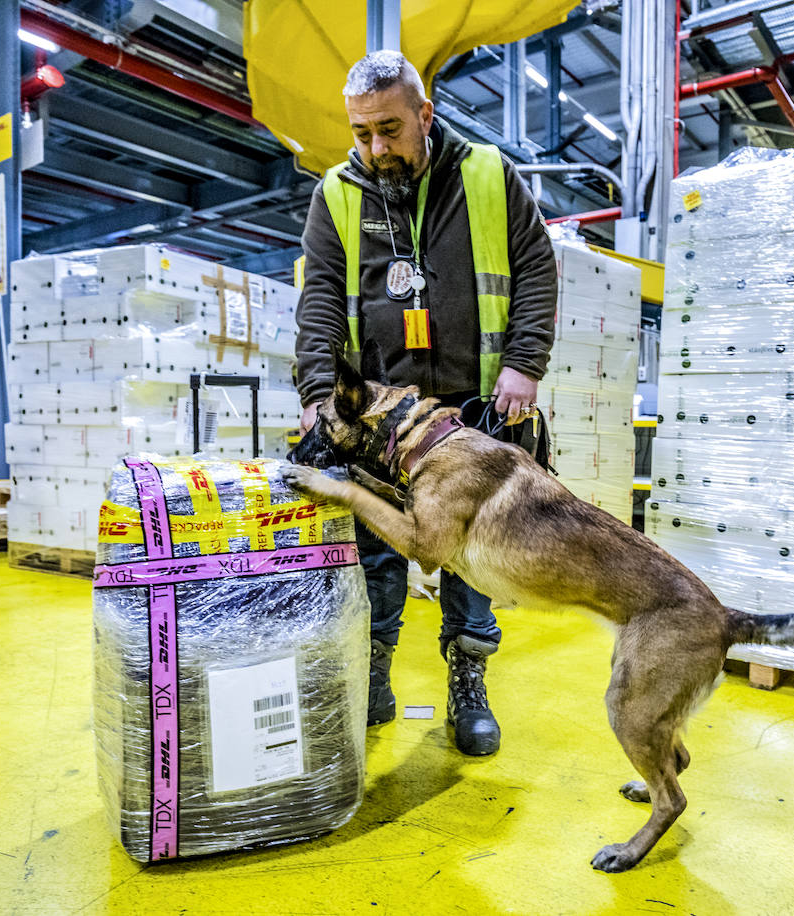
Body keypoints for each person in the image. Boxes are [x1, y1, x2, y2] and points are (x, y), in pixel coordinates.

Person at [294, 50, 558, 756]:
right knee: (376, 552)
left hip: (474, 414)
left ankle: (467, 687)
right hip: (378, 423)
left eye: (389, 129)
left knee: (472, 559)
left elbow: (535, 267)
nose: (375, 147)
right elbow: (319, 296)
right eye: (361, 133)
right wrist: (319, 391)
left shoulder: (486, 176)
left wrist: (525, 366)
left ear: (425, 116)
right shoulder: (338, 195)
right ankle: (373, 674)